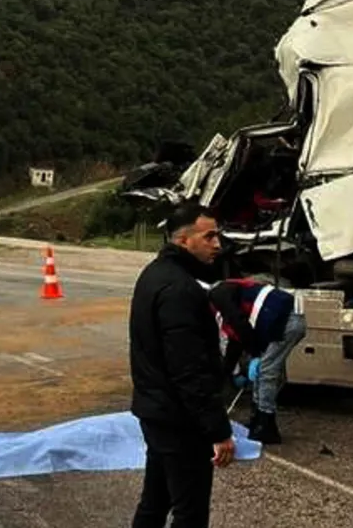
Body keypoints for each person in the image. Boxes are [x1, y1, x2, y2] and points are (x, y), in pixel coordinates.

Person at [129, 201, 237, 528]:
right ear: (184, 240)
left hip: (157, 411)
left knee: (155, 501)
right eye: (209, 237)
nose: (217, 244)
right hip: (179, 420)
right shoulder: (179, 289)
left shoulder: (154, 274)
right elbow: (189, 370)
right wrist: (218, 431)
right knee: (189, 513)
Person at [210, 278, 307, 444]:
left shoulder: (218, 294)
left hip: (286, 320)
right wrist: (227, 373)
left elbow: (239, 323)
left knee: (266, 372)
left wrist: (255, 354)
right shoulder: (224, 301)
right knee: (263, 371)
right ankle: (257, 421)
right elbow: (236, 340)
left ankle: (266, 425)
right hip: (280, 319)